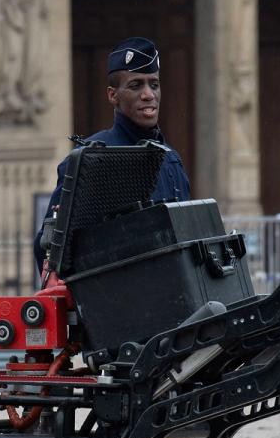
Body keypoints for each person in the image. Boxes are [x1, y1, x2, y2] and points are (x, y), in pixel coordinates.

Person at [34, 36, 191, 269]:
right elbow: (50, 250)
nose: (148, 94)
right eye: (136, 85)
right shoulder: (90, 159)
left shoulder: (171, 159)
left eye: (154, 84)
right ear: (112, 95)